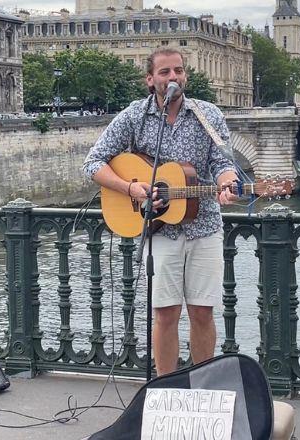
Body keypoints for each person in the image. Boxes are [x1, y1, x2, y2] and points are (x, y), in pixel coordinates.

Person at [82, 47, 238, 376]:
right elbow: (93, 163)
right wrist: (131, 189)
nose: (173, 78)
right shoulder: (133, 116)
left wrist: (228, 183)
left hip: (204, 226)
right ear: (150, 80)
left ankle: (202, 386)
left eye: (178, 71)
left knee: (202, 312)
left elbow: (223, 163)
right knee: (165, 314)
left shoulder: (207, 114)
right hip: (160, 231)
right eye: (165, 72)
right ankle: (166, 391)